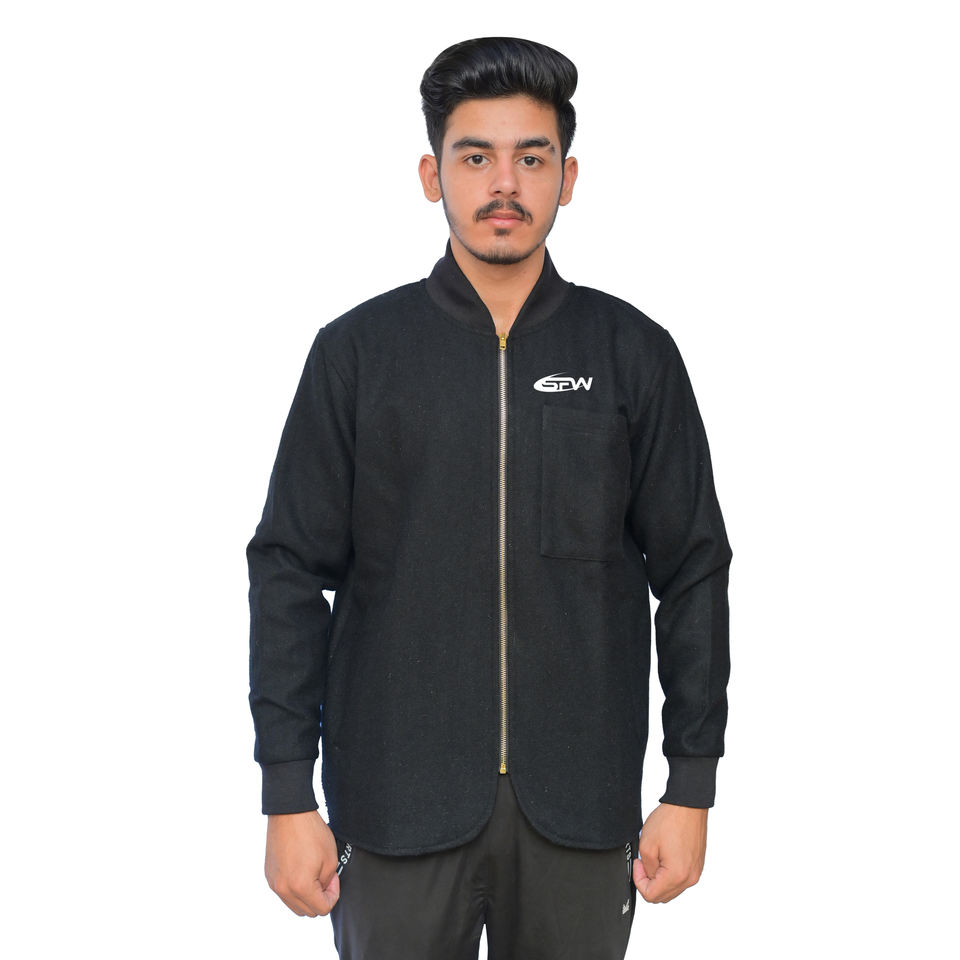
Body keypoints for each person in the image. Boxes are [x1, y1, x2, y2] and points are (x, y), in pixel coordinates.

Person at [247, 36, 732, 960]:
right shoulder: (357, 354)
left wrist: (690, 784)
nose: (504, 183)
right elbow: (288, 572)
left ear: (568, 178)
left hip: (580, 808)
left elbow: (694, 570)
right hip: (393, 806)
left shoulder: (632, 354)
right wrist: (286, 792)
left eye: (531, 158)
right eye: (476, 157)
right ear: (432, 175)